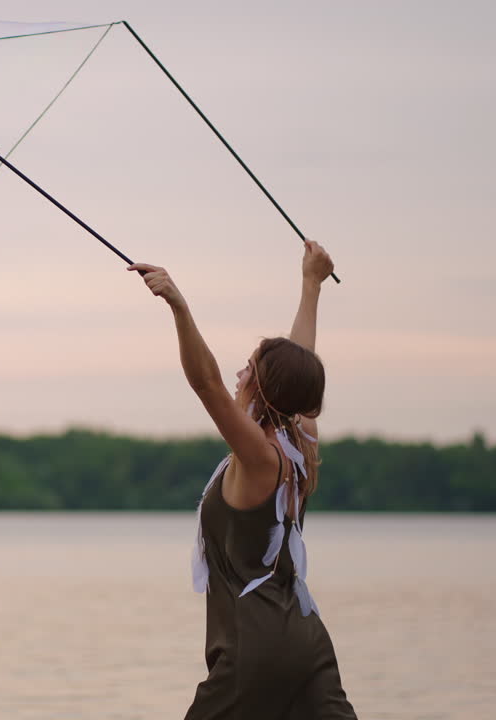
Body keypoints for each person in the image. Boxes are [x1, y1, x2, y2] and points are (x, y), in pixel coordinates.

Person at [128, 241, 357, 719]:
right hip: (308, 644)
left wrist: (178, 304)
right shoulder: (302, 442)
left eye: (249, 368)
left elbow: (206, 384)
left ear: (263, 386)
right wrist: (310, 284)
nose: (238, 373)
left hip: (256, 653)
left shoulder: (257, 456)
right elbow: (300, 361)